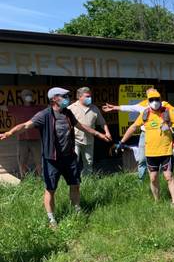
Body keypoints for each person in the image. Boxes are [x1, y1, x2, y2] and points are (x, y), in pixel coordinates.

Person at [0, 87, 112, 227]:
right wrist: (9, 133)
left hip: (69, 157)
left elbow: (81, 126)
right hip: (51, 159)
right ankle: (51, 219)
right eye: (64, 96)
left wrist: (98, 134)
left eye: (68, 95)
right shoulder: (44, 115)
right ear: (54, 99)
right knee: (50, 189)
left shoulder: (67, 113)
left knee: (75, 185)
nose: (67, 98)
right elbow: (26, 125)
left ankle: (76, 210)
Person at [117, 89, 174, 206]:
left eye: (157, 99)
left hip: (166, 151)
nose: (155, 102)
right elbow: (133, 127)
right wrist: (122, 141)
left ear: (160, 100)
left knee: (168, 176)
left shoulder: (168, 112)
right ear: (148, 101)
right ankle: (157, 201)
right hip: (150, 152)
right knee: (153, 178)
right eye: (152, 100)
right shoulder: (145, 114)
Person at [102, 89, 174, 179]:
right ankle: (142, 178)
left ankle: (160, 177)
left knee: (161, 158)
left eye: (155, 96)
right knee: (142, 158)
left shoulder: (164, 105)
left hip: (162, 134)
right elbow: (129, 108)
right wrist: (114, 107)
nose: (153, 100)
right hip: (145, 135)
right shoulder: (143, 105)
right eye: (150, 96)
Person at [0, 89, 45, 177]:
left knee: (39, 161)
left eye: (29, 94)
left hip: (36, 139)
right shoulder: (16, 108)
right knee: (22, 161)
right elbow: (2, 107)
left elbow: (52, 107)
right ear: (22, 97)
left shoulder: (39, 108)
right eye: (26, 95)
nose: (28, 96)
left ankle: (41, 178)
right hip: (22, 139)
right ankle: (24, 179)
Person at [68, 87, 112, 175]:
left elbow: (102, 122)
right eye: (87, 96)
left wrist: (107, 132)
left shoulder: (94, 108)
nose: (89, 98)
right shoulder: (71, 108)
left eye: (90, 96)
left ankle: (86, 181)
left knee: (88, 162)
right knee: (74, 161)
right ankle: (73, 181)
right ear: (79, 97)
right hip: (74, 139)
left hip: (89, 140)